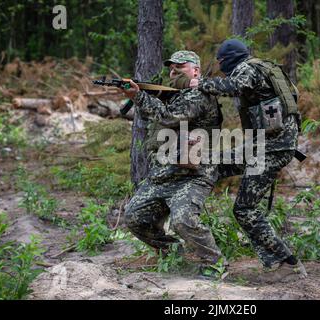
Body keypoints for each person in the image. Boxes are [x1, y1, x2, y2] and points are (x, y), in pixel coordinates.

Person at [189, 39, 307, 277]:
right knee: (214, 163)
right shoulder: (262, 67)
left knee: (244, 208)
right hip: (268, 146)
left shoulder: (247, 68)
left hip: (269, 149)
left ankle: (287, 263)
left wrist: (200, 83)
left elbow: (234, 86)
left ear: (230, 58)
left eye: (221, 61)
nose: (221, 65)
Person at [122, 51, 225, 277]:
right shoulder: (175, 96)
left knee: (182, 219)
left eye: (181, 66)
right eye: (171, 68)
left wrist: (139, 96)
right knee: (134, 217)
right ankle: (174, 256)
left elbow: (169, 117)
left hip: (192, 176)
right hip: (163, 176)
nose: (174, 71)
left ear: (196, 70)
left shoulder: (199, 94)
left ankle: (214, 264)